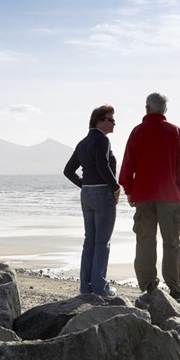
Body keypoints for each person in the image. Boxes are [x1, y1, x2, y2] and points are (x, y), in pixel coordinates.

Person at [119, 92, 180, 299]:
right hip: (169, 196)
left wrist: (129, 190)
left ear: (147, 108)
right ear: (165, 110)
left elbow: (128, 164)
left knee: (145, 241)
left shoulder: (138, 132)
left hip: (144, 195)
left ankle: (149, 285)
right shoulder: (174, 131)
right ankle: (175, 287)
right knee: (172, 242)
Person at [63, 104, 121, 296]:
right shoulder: (102, 140)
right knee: (102, 242)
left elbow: (68, 171)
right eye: (110, 119)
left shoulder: (82, 143)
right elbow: (103, 166)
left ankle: (85, 288)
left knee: (90, 240)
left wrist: (85, 185)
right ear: (99, 121)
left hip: (87, 195)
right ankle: (100, 287)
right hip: (102, 193)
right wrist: (115, 187)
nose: (114, 123)